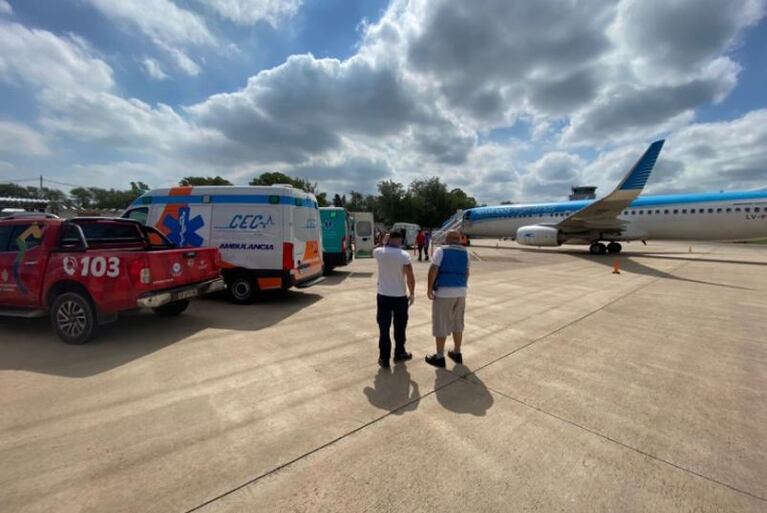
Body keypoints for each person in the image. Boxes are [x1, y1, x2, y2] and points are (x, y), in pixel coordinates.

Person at [425, 230, 470, 368]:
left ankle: (439, 356)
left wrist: (429, 288)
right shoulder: (465, 252)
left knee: (441, 323)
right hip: (461, 292)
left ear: (447, 239)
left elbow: (433, 269)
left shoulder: (441, 250)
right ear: (459, 239)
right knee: (458, 323)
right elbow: (467, 272)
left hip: (444, 292)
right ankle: (457, 352)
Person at [373, 231, 416, 368]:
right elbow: (410, 275)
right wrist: (412, 292)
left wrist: (383, 241)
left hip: (383, 295)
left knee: (384, 328)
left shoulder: (379, 252)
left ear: (388, 239)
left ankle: (384, 358)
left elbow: (373, 249)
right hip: (399, 297)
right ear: (400, 240)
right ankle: (399, 353)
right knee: (400, 326)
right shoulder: (404, 255)